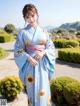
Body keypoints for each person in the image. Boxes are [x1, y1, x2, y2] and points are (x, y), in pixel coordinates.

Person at [14, 4, 55, 106]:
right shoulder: (22, 33)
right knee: (32, 92)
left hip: (43, 64)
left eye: (32, 15)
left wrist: (43, 52)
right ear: (24, 18)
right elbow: (18, 50)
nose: (31, 19)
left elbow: (51, 47)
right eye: (27, 17)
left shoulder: (44, 31)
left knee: (44, 91)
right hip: (30, 65)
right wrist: (28, 58)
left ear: (37, 15)